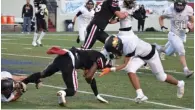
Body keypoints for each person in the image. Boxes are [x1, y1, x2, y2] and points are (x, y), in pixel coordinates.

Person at [21, 46, 112, 106]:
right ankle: (62, 93)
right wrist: (96, 93)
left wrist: (97, 94)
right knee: (72, 90)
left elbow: (89, 77)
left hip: (63, 56)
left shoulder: (92, 54)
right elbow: (88, 77)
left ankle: (24, 82)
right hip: (70, 61)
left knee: (43, 74)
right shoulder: (101, 59)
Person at [154, 0, 194, 78]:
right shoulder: (170, 10)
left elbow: (192, 20)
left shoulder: (188, 9)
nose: (179, 7)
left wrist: (191, 26)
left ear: (184, 5)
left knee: (169, 53)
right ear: (175, 4)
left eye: (181, 6)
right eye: (177, 5)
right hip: (173, 34)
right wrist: (162, 26)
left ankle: (157, 47)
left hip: (182, 35)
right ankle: (186, 70)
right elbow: (161, 18)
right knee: (181, 50)